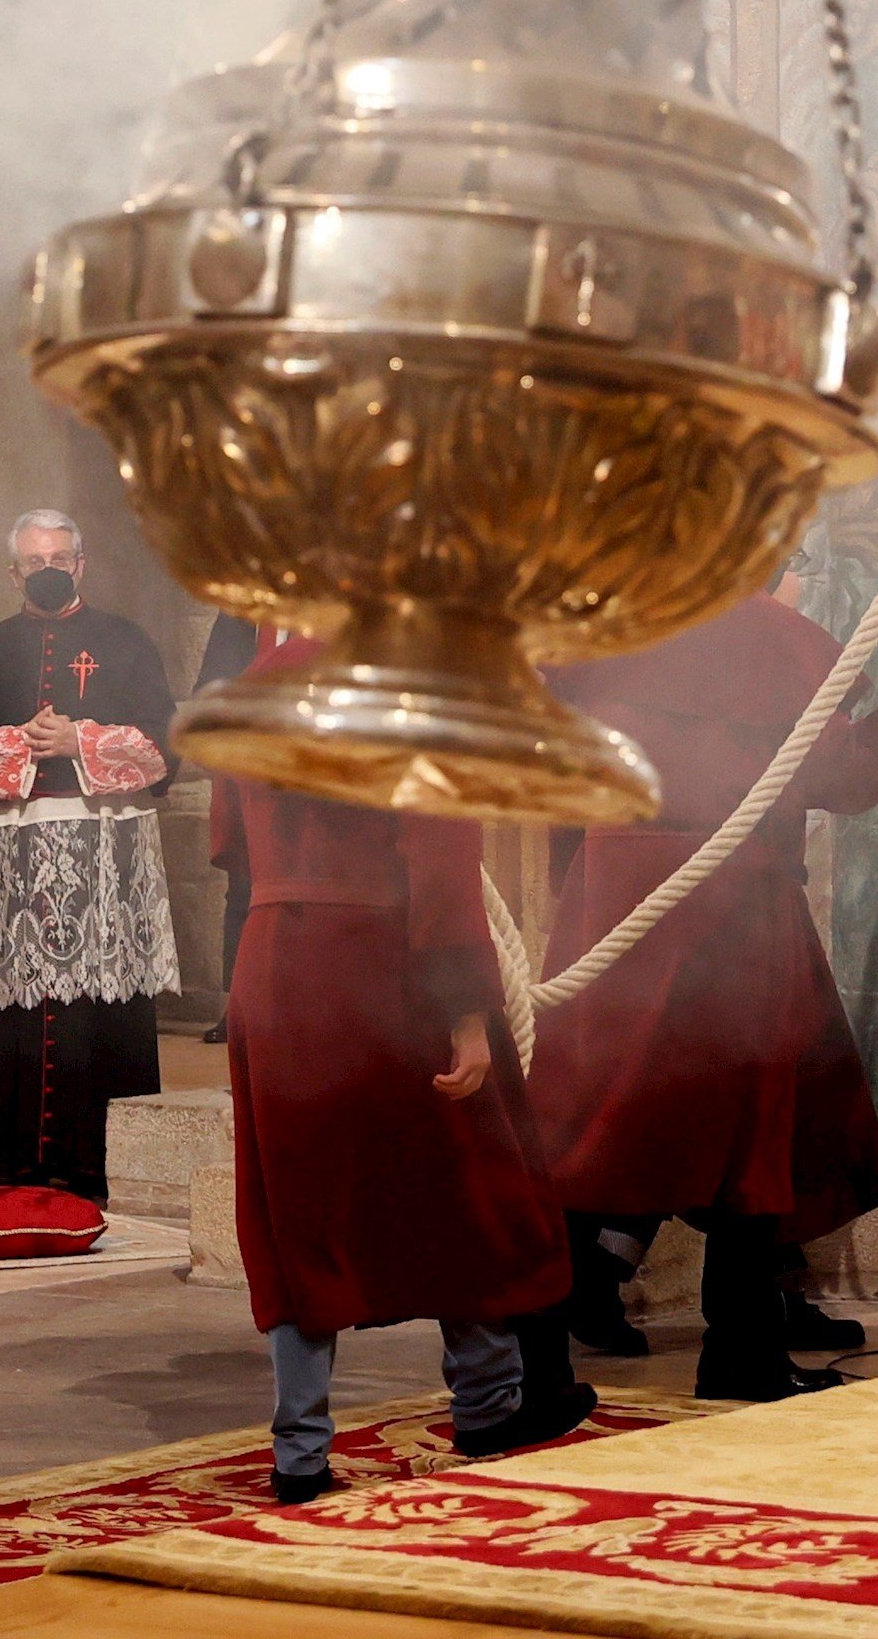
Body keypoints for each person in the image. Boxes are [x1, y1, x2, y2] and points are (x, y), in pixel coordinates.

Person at [528, 586, 878, 1400]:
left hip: (616, 890)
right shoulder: (767, 636)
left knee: (601, 1108)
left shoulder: (607, 618)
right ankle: (739, 1349)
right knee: (747, 1125)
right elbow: (847, 773)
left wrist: (582, 880)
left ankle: (551, 1331)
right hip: (729, 897)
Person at [215, 637, 591, 1504]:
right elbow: (442, 862)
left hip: (273, 962)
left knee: (300, 1209)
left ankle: (300, 1452)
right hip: (385, 961)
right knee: (468, 1182)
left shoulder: (254, 682)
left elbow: (227, 839)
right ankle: (490, 1407)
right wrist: (466, 1013)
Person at [0, 510, 179, 1201]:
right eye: (35, 560)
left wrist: (82, 743)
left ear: (81, 563)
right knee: (13, 1005)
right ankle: (2, 1158)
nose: (49, 569)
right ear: (13, 572)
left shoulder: (126, 642)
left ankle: (96, 1159)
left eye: (61, 558)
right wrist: (22, 744)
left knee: (97, 1008)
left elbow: (166, 744)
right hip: (11, 859)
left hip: (104, 856)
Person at [192, 614, 266, 1046]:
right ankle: (237, 1006)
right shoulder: (241, 606)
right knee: (243, 888)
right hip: (249, 766)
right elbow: (209, 686)